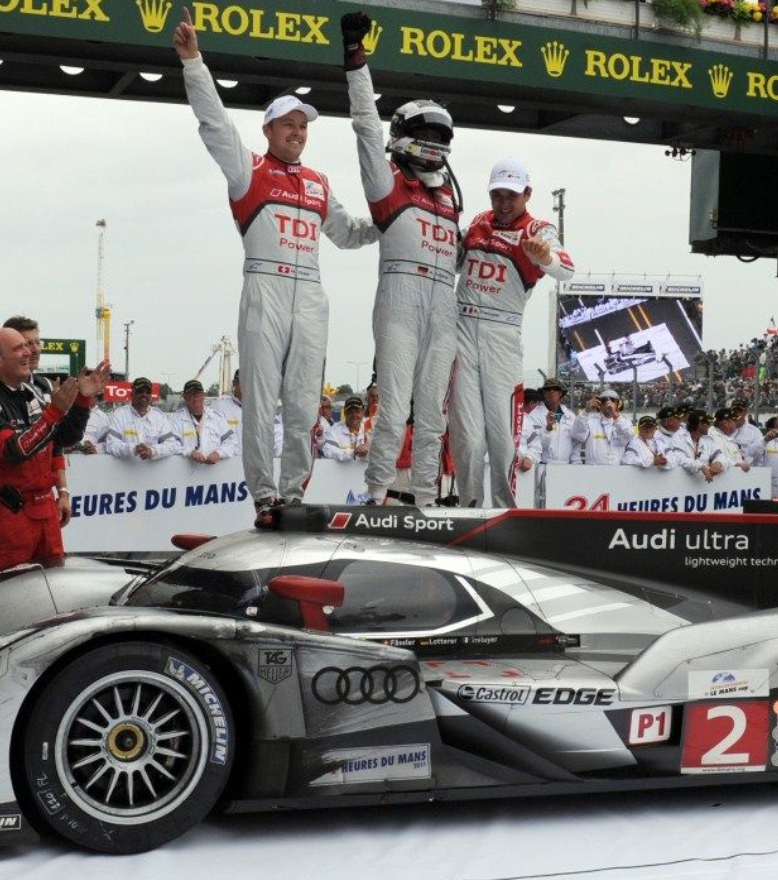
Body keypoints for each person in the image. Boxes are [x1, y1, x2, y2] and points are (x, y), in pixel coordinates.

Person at [173, 8, 376, 526]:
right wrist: (194, 63)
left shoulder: (318, 182)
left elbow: (349, 234)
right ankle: (263, 495)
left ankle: (293, 493)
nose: (299, 132)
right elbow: (214, 124)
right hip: (264, 281)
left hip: (311, 290)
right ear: (268, 128)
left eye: (304, 125)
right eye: (289, 124)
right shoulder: (249, 170)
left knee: (306, 403)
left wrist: (388, 221)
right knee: (260, 399)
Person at [341, 11, 461, 507]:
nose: (434, 145)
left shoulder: (450, 199)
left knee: (433, 412)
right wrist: (355, 59)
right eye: (426, 136)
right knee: (393, 408)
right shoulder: (388, 185)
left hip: (443, 306)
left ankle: (427, 499)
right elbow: (366, 127)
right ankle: (375, 494)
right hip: (400, 299)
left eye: (441, 138)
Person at [450, 157, 575, 506]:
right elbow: (452, 259)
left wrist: (544, 256)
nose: (504, 204)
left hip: (502, 333)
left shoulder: (538, 230)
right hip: (460, 327)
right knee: (467, 435)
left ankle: (504, 508)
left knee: (502, 436)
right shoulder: (477, 222)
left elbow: (567, 269)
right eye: (497, 195)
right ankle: (468, 506)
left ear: (527, 194)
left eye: (512, 196)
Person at [0, 328, 109, 575]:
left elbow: (65, 438)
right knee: (6, 593)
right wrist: (54, 413)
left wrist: (82, 401)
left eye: (29, 345)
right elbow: (12, 451)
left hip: (44, 508)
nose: (29, 352)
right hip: (7, 512)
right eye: (19, 348)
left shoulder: (36, 391)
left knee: (50, 592)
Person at [106, 377, 182, 461]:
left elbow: (172, 445)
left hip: (154, 472)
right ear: (132, 394)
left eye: (148, 392)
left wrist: (152, 451)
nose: (144, 394)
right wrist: (134, 449)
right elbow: (111, 445)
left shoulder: (160, 417)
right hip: (124, 472)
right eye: (140, 391)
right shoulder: (119, 415)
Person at [174, 379, 236, 464]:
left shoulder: (216, 417)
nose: (195, 397)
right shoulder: (176, 419)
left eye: (198, 393)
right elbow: (171, 444)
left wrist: (218, 453)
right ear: (184, 396)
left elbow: (231, 441)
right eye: (191, 394)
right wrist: (190, 452)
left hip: (215, 473)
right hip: (185, 473)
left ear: (204, 395)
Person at [573, 388, 632, 466]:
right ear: (599, 404)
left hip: (617, 472)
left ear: (618, 404)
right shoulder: (590, 420)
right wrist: (586, 411)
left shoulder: (625, 421)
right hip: (594, 472)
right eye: (604, 400)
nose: (608, 403)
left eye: (612, 400)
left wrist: (614, 414)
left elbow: (627, 437)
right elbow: (577, 434)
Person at [530, 377, 582, 465]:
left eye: (556, 389)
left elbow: (575, 445)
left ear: (560, 393)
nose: (551, 391)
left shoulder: (570, 416)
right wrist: (548, 429)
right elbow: (533, 444)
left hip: (565, 466)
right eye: (548, 389)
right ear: (543, 393)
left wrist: (576, 464)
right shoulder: (534, 415)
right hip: (542, 464)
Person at [320, 396, 371, 463]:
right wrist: (352, 452)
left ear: (362, 412)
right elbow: (328, 451)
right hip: (339, 473)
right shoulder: (334, 430)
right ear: (344, 413)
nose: (354, 415)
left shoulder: (370, 429)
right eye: (350, 412)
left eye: (357, 411)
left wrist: (367, 454)